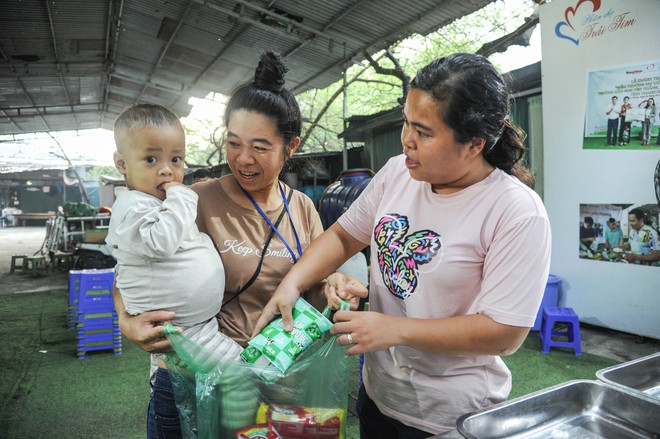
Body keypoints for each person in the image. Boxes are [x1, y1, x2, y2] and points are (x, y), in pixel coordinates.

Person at [255, 53, 551, 437]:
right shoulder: (398, 172)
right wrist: (292, 284)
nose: (407, 140)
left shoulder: (515, 211)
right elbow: (344, 236)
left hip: (450, 416)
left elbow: (504, 333)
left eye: (424, 132)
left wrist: (394, 329)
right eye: (406, 123)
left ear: (474, 144)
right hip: (380, 396)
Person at [113, 52, 366, 439]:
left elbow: (315, 280)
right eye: (234, 143)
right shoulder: (191, 200)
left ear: (291, 147)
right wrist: (126, 323)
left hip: (278, 381)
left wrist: (333, 285)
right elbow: (129, 266)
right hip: (192, 379)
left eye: (261, 147)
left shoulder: (302, 208)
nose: (243, 159)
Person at [106, 103, 243, 374]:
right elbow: (159, 243)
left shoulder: (158, 203)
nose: (167, 170)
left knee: (238, 381)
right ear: (122, 164)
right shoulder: (134, 205)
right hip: (180, 330)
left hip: (197, 326)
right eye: (151, 159)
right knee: (242, 375)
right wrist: (182, 195)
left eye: (176, 159)